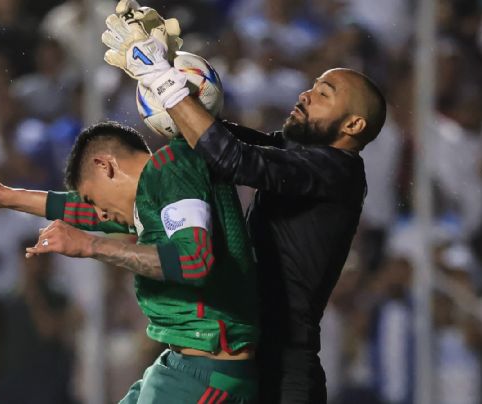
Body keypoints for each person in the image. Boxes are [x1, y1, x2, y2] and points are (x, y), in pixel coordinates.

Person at [99, 7, 386, 401]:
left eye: (324, 94)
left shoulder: (337, 172)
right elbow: (221, 139)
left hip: (283, 372)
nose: (306, 93)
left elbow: (233, 158)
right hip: (252, 357)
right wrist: (172, 70)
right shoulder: (302, 155)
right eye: (313, 85)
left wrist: (161, 77)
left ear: (353, 126)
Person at [0, 121, 259, 403]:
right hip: (180, 365)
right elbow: (76, 209)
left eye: (92, 198)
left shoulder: (172, 167)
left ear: (104, 165)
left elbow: (193, 260)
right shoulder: (154, 195)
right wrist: (6, 196)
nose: (99, 214)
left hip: (208, 370)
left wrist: (92, 245)